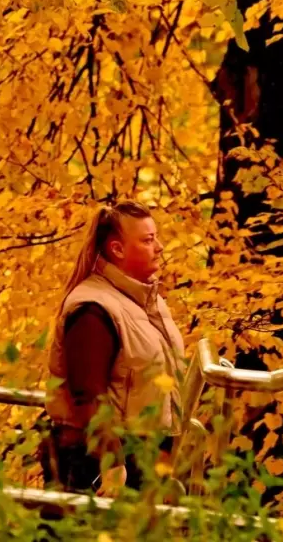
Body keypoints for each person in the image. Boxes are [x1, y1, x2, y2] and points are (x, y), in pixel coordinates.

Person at [41, 200, 186, 494]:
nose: (159, 247)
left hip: (141, 459)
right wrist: (112, 463)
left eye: (156, 237)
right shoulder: (92, 309)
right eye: (148, 240)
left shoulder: (148, 302)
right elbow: (89, 395)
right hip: (95, 465)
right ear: (117, 249)